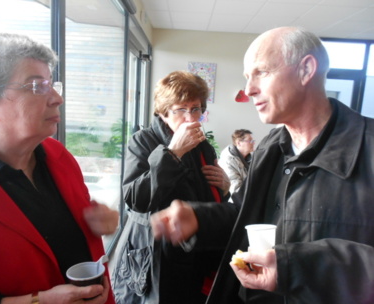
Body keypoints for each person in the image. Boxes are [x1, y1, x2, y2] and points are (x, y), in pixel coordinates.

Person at [150, 26, 374, 304]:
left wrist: (298, 267)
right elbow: (245, 214)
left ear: (306, 70)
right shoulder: (270, 147)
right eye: (247, 77)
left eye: (262, 73)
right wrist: (199, 219)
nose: (248, 90)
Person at [0, 33, 119, 304]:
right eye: (36, 86)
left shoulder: (58, 155)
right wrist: (37, 301)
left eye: (52, 84)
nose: (57, 98)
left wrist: (100, 223)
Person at [111, 70, 232, 304]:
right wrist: (173, 153)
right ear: (164, 112)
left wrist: (225, 188)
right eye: (181, 109)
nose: (190, 118)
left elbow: (209, 200)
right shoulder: (142, 141)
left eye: (196, 108)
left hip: (192, 252)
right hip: (153, 253)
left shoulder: (202, 144)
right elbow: (135, 198)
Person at [218, 129, 254, 196]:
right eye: (250, 141)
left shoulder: (251, 157)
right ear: (239, 143)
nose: (253, 143)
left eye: (253, 141)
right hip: (238, 202)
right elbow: (236, 191)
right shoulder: (228, 161)